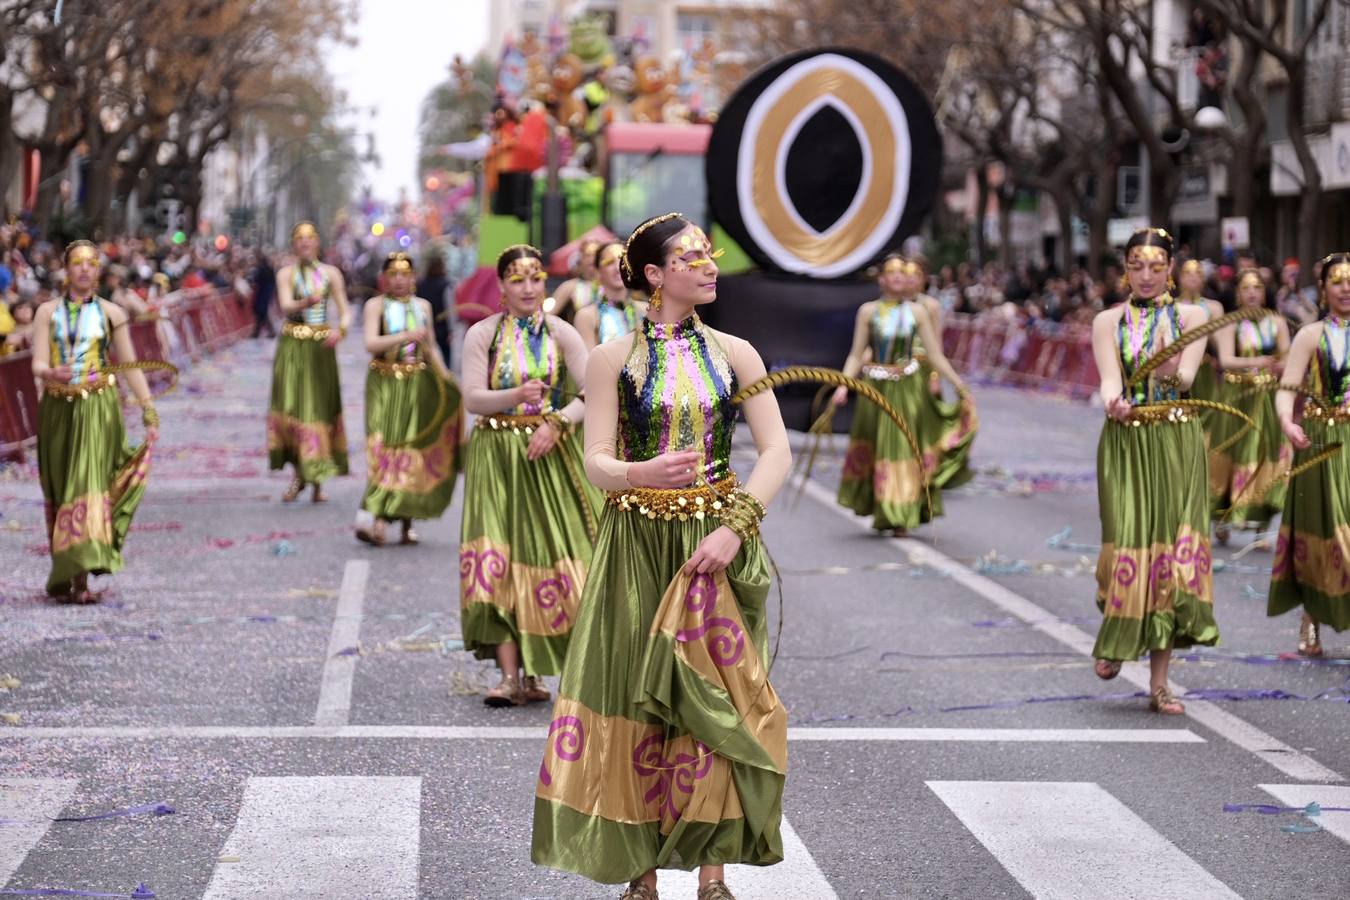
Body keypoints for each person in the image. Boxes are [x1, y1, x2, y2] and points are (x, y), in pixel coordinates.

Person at [532, 214, 792, 900]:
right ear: (654, 275)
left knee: (716, 700)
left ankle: (713, 875)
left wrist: (734, 529)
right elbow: (595, 461)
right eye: (693, 257)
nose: (710, 267)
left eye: (710, 256)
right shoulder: (611, 359)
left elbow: (776, 453)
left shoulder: (739, 354)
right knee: (636, 699)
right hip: (634, 547)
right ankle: (639, 875)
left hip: (714, 545)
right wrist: (640, 473)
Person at [458, 244, 601, 707]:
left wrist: (559, 422)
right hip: (497, 457)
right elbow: (474, 399)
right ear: (501, 285)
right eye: (517, 280)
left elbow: (594, 393)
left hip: (550, 456)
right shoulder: (483, 335)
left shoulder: (562, 333)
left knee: (550, 555)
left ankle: (537, 670)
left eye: (536, 278)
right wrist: (517, 394)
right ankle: (506, 676)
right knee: (499, 553)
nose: (528, 288)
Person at [1090, 228, 1215, 715]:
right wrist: (1113, 402)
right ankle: (1117, 635)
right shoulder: (1107, 321)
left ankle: (1160, 683)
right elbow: (1108, 380)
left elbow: (1184, 378)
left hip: (1175, 440)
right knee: (1124, 543)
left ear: (1170, 268)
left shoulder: (1193, 316)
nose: (1146, 275)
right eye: (1136, 265)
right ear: (1125, 268)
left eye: (1156, 265)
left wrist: (1167, 356)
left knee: (1169, 554)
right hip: (1125, 441)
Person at [30, 241, 159, 602]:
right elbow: (36, 363)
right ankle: (66, 569)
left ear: (99, 270)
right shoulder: (46, 313)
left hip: (97, 409)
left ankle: (81, 580)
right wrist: (49, 371)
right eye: (77, 263)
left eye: (91, 263)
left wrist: (148, 410)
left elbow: (130, 365)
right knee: (59, 490)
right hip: (57, 410)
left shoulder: (112, 314)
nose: (84, 269)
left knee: (86, 484)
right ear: (66, 270)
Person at [832, 254, 975, 535]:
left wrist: (958, 385)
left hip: (907, 389)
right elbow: (856, 354)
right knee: (876, 446)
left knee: (901, 447)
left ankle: (901, 513)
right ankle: (881, 508)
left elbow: (935, 354)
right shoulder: (868, 311)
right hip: (873, 388)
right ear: (882, 279)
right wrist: (843, 384)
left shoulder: (918, 312)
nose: (898, 276)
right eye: (891, 272)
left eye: (902, 272)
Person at [1268, 251, 1350, 656]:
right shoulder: (1310, 334)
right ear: (1323, 288)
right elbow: (1288, 388)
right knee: (1320, 529)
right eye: (1337, 280)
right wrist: (1288, 422)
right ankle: (1312, 614)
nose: (1346, 287)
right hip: (1318, 440)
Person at [357, 252, 463, 546]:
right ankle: (378, 516)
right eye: (393, 274)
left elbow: (431, 348)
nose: (400, 280)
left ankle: (406, 521)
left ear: (414, 277)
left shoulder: (423, 307)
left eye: (405, 274)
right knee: (383, 446)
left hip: (417, 382)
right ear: (385, 278)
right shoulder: (375, 306)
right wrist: (404, 336)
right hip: (384, 382)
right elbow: (370, 343)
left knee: (412, 448)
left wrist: (446, 379)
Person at [268, 221, 351, 503]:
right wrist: (306, 302)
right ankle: (298, 474)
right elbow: (286, 305)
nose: (304, 243)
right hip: (293, 346)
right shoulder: (285, 274)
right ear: (293, 244)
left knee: (317, 409)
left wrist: (341, 330)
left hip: (320, 348)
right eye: (299, 239)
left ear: (318, 242)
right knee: (292, 408)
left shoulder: (331, 274)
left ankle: (316, 479)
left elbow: (344, 310)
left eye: (310, 238)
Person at [1210, 268, 1291, 542]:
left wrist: (1278, 367)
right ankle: (1222, 515)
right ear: (1238, 293)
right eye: (1246, 288)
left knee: (1265, 453)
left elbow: (1287, 357)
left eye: (1257, 287)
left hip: (1266, 396)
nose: (1253, 292)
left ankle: (1259, 519)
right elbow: (1226, 360)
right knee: (1233, 453)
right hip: (1237, 395)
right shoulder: (1230, 322)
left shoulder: (1276, 321)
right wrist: (1257, 362)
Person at [571, 240, 645, 349]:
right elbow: (588, 363)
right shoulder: (587, 316)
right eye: (609, 263)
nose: (617, 268)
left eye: (622, 261)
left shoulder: (646, 310)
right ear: (597, 272)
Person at [549, 238, 601, 322]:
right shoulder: (570, 286)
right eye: (587, 255)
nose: (592, 259)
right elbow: (548, 315)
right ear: (581, 258)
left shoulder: (609, 286)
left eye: (595, 254)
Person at [416, 253, 453, 366]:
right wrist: (450, 330)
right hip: (442, 327)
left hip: (423, 325)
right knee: (444, 357)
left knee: (426, 356)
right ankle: (444, 378)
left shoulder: (420, 284)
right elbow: (449, 307)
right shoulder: (445, 285)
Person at [251, 252, 277, 339]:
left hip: (262, 293)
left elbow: (256, 279)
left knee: (262, 312)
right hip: (267, 292)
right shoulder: (269, 268)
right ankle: (257, 332)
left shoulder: (261, 268)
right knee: (261, 313)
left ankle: (269, 331)